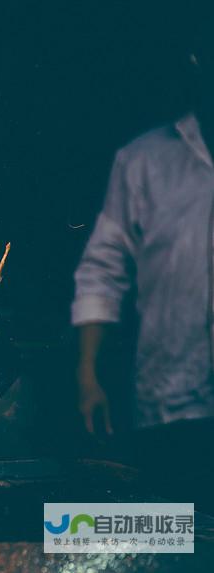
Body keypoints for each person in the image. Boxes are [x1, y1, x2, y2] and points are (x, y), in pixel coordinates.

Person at [72, 34, 214, 449]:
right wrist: (86, 376)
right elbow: (101, 272)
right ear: (197, 61)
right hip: (168, 403)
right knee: (177, 514)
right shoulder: (144, 161)